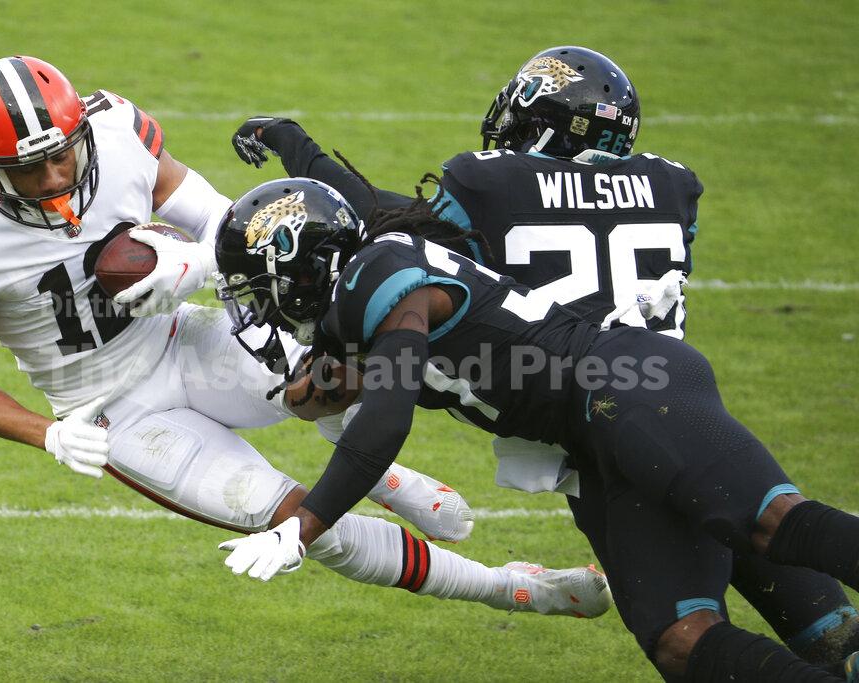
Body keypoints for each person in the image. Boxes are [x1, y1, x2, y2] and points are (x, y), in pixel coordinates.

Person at [0, 55, 614, 622]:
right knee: (298, 524)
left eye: (62, 153)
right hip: (112, 406)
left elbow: (229, 223)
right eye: (28, 169)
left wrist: (194, 261)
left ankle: (383, 474)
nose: (55, 177)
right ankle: (510, 586)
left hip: (186, 335)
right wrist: (49, 434)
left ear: (79, 131)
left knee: (333, 373)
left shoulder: (114, 131)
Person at [226, 46, 859, 671]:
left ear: (540, 122)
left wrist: (294, 144)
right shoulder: (669, 185)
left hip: (622, 397)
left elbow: (380, 217)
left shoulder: (482, 190)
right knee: (698, 637)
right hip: (628, 403)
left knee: (775, 528)